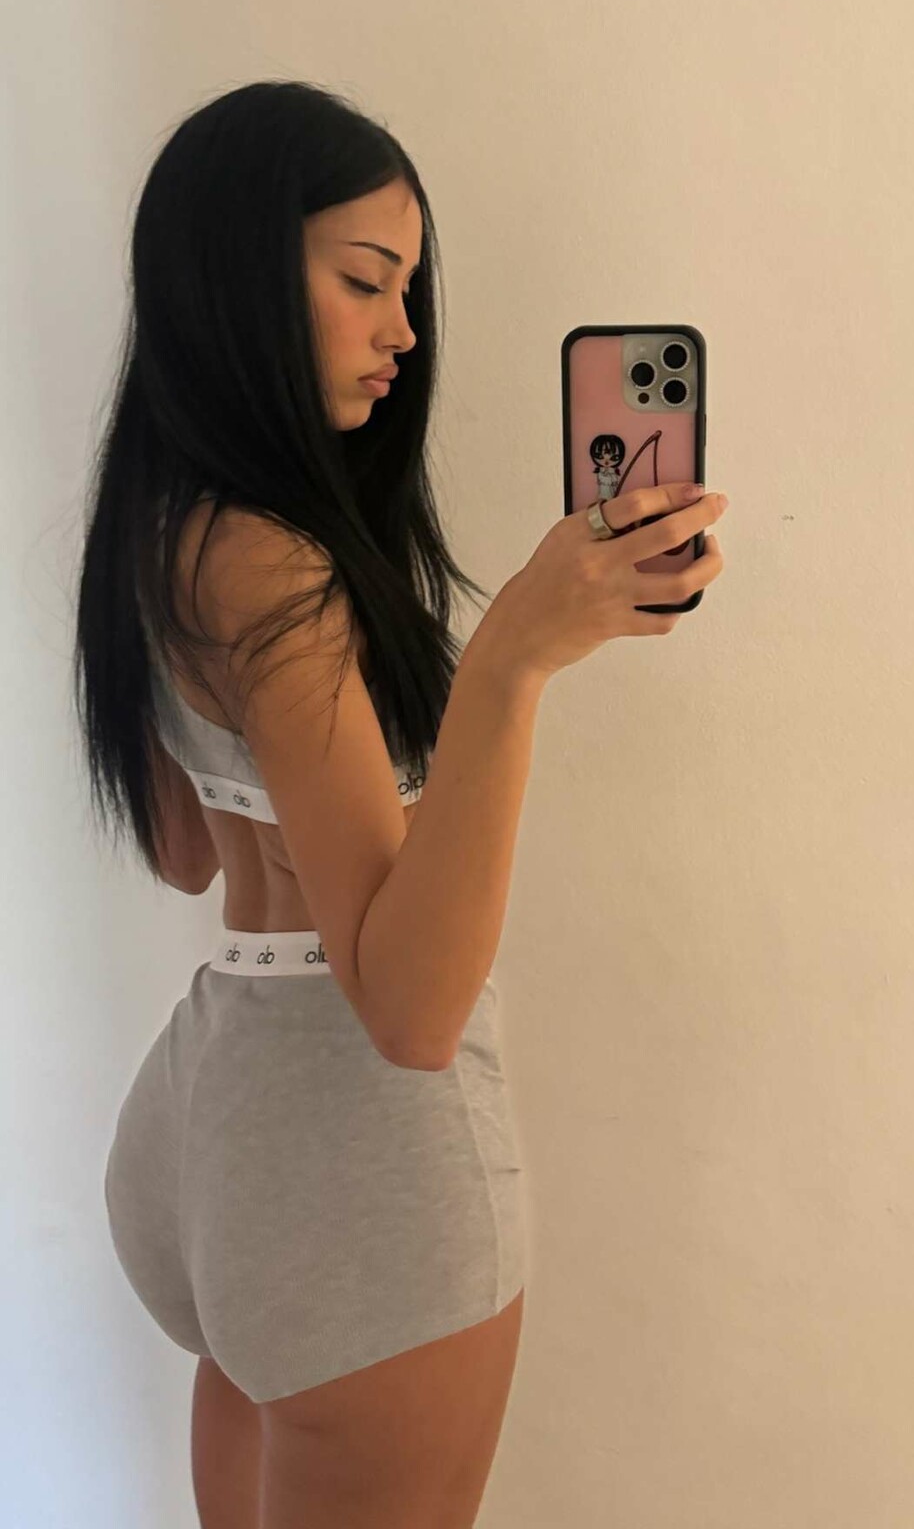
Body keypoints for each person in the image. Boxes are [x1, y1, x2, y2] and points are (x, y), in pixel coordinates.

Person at [76, 79, 725, 1527]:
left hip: (214, 1137)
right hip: (352, 1168)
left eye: (408, 290)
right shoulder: (279, 568)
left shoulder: (166, 525)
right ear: (237, 275)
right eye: (366, 281)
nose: (404, 332)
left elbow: (189, 853)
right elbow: (411, 1014)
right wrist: (514, 660)